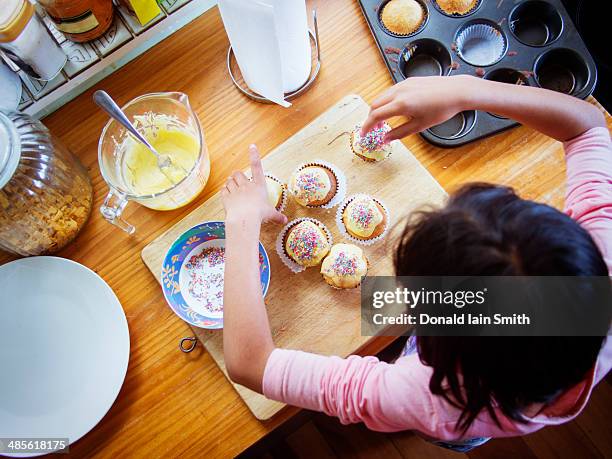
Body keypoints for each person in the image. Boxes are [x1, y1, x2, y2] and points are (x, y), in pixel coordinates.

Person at [220, 75, 612, 451]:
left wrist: (240, 222)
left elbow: (250, 363)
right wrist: (464, 90)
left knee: (449, 432)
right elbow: (588, 126)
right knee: (373, 306)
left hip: (459, 419)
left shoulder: (425, 397)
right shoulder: (600, 260)